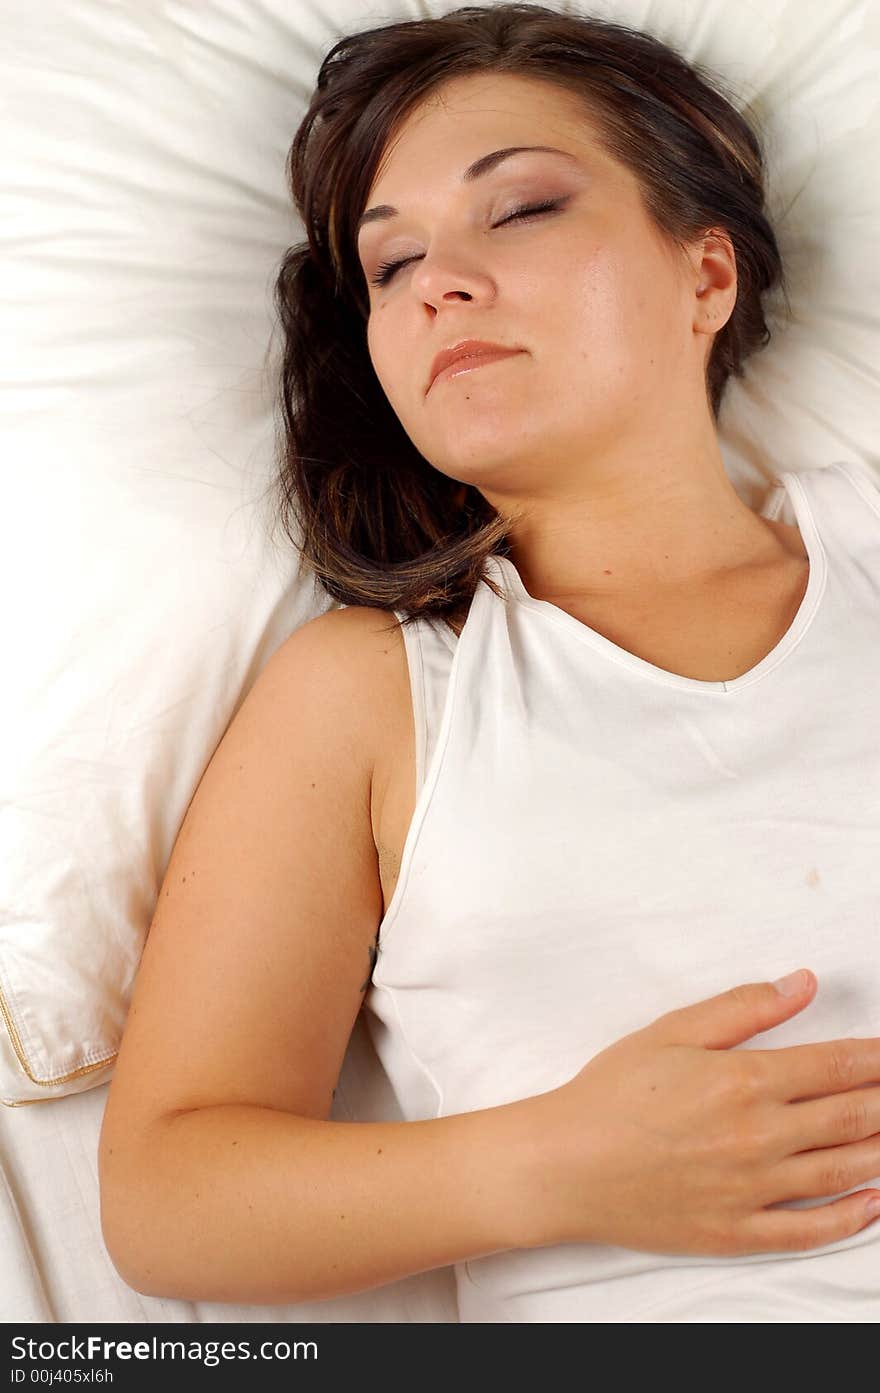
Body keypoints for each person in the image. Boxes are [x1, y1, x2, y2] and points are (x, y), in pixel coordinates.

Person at [97, 4, 880, 1320]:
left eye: (517, 211)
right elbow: (165, 1196)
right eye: (390, 266)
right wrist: (556, 1167)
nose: (439, 282)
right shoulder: (371, 695)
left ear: (706, 277)